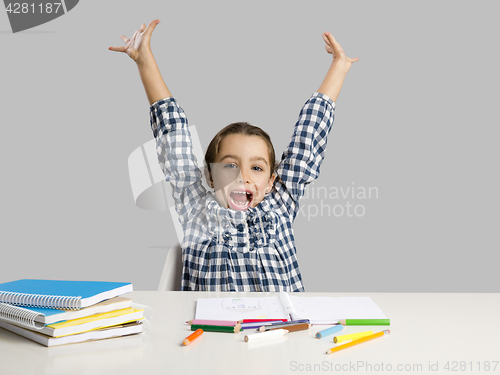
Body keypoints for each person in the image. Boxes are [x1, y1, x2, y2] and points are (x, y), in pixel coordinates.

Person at [109, 20, 358, 291]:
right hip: (212, 332)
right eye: (230, 165)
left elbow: (308, 137)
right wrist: (144, 60)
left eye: (257, 168)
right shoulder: (196, 209)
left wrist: (339, 66)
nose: (243, 177)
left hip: (281, 329)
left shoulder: (280, 205)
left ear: (273, 180)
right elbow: (173, 138)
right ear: (211, 176)